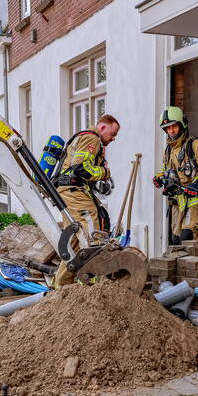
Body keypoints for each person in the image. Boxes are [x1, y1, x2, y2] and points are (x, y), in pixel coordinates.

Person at [52, 114, 120, 286]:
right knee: (92, 234)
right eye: (112, 134)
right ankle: (91, 283)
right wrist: (104, 173)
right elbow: (81, 168)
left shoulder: (86, 138)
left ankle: (62, 284)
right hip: (74, 192)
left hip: (69, 191)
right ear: (102, 127)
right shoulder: (92, 138)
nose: (113, 138)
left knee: (75, 241)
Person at [153, 106, 198, 243]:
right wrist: (160, 178)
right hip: (178, 204)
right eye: (168, 128)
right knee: (176, 240)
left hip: (195, 202)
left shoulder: (196, 145)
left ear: (182, 124)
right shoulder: (168, 150)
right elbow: (168, 171)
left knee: (188, 238)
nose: (171, 131)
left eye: (174, 126)